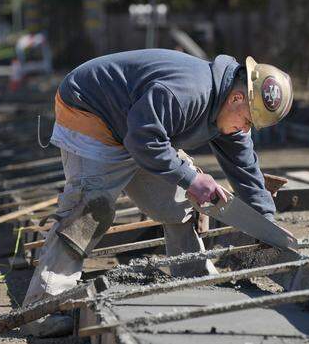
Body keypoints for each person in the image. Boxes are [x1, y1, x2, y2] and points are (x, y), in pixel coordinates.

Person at [22, 49, 292, 337]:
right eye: (249, 122)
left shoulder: (232, 109)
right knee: (89, 210)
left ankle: (193, 278)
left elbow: (246, 170)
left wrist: (265, 223)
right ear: (237, 98)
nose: (245, 129)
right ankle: (42, 309)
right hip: (90, 110)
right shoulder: (186, 93)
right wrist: (190, 178)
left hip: (139, 126)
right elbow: (143, 140)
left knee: (179, 201)